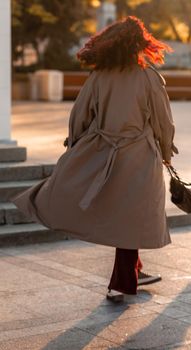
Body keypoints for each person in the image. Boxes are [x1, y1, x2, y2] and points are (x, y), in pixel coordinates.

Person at [11, 16, 178, 302]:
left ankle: (136, 269)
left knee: (126, 216)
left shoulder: (100, 75)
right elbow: (164, 122)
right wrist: (166, 152)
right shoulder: (148, 76)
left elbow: (79, 115)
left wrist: (76, 147)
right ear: (138, 44)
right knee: (131, 216)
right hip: (139, 156)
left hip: (103, 152)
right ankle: (121, 283)